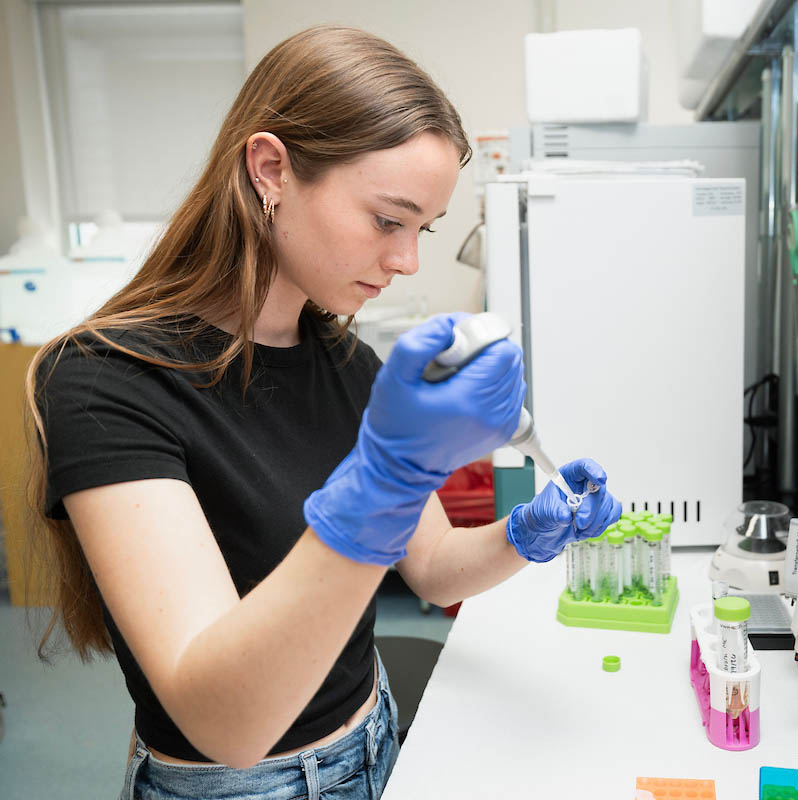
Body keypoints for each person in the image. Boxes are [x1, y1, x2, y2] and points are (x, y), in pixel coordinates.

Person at [25, 25, 620, 798]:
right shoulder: (105, 383)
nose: (408, 260)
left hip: (375, 736)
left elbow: (432, 566)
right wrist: (385, 478)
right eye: (387, 220)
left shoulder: (347, 362)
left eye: (423, 231)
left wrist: (528, 532)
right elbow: (225, 725)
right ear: (271, 169)